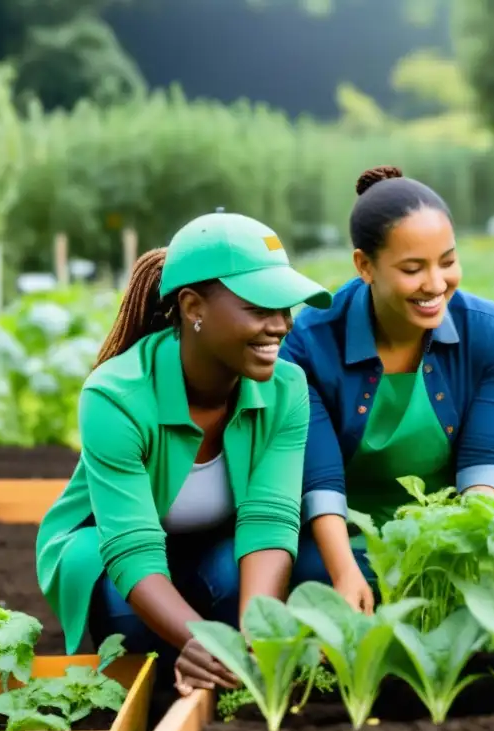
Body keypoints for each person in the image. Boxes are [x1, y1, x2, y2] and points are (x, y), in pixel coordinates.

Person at [34, 211, 332, 697]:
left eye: (287, 308)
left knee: (262, 581)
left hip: (216, 539)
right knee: (128, 618)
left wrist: (252, 637)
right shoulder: (116, 396)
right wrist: (204, 639)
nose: (280, 326)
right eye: (261, 307)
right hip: (110, 549)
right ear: (194, 306)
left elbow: (270, 520)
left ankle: (202, 668)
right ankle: (171, 682)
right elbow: (131, 548)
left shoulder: (286, 388)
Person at [279, 165, 494, 614]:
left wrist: (462, 553)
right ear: (364, 266)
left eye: (447, 261)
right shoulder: (311, 341)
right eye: (413, 269)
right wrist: (345, 572)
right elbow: (321, 479)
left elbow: (483, 470)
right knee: (314, 580)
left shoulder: (486, 331)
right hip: (342, 535)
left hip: (443, 530)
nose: (435, 284)